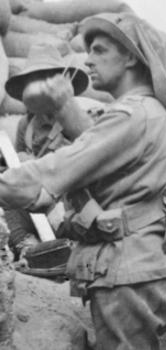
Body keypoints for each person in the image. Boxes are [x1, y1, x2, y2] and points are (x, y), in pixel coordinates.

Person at [0, 12, 166, 349]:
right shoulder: (153, 114)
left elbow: (47, 175)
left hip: (127, 274)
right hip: (148, 268)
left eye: (100, 50)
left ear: (131, 56)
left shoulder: (131, 115)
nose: (88, 59)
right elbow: (108, 158)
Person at [2, 43, 91, 259]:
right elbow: (20, 159)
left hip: (69, 197)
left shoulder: (77, 119)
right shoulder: (26, 124)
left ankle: (70, 247)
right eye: (32, 83)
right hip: (38, 195)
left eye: (44, 81)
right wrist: (23, 162)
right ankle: (29, 247)